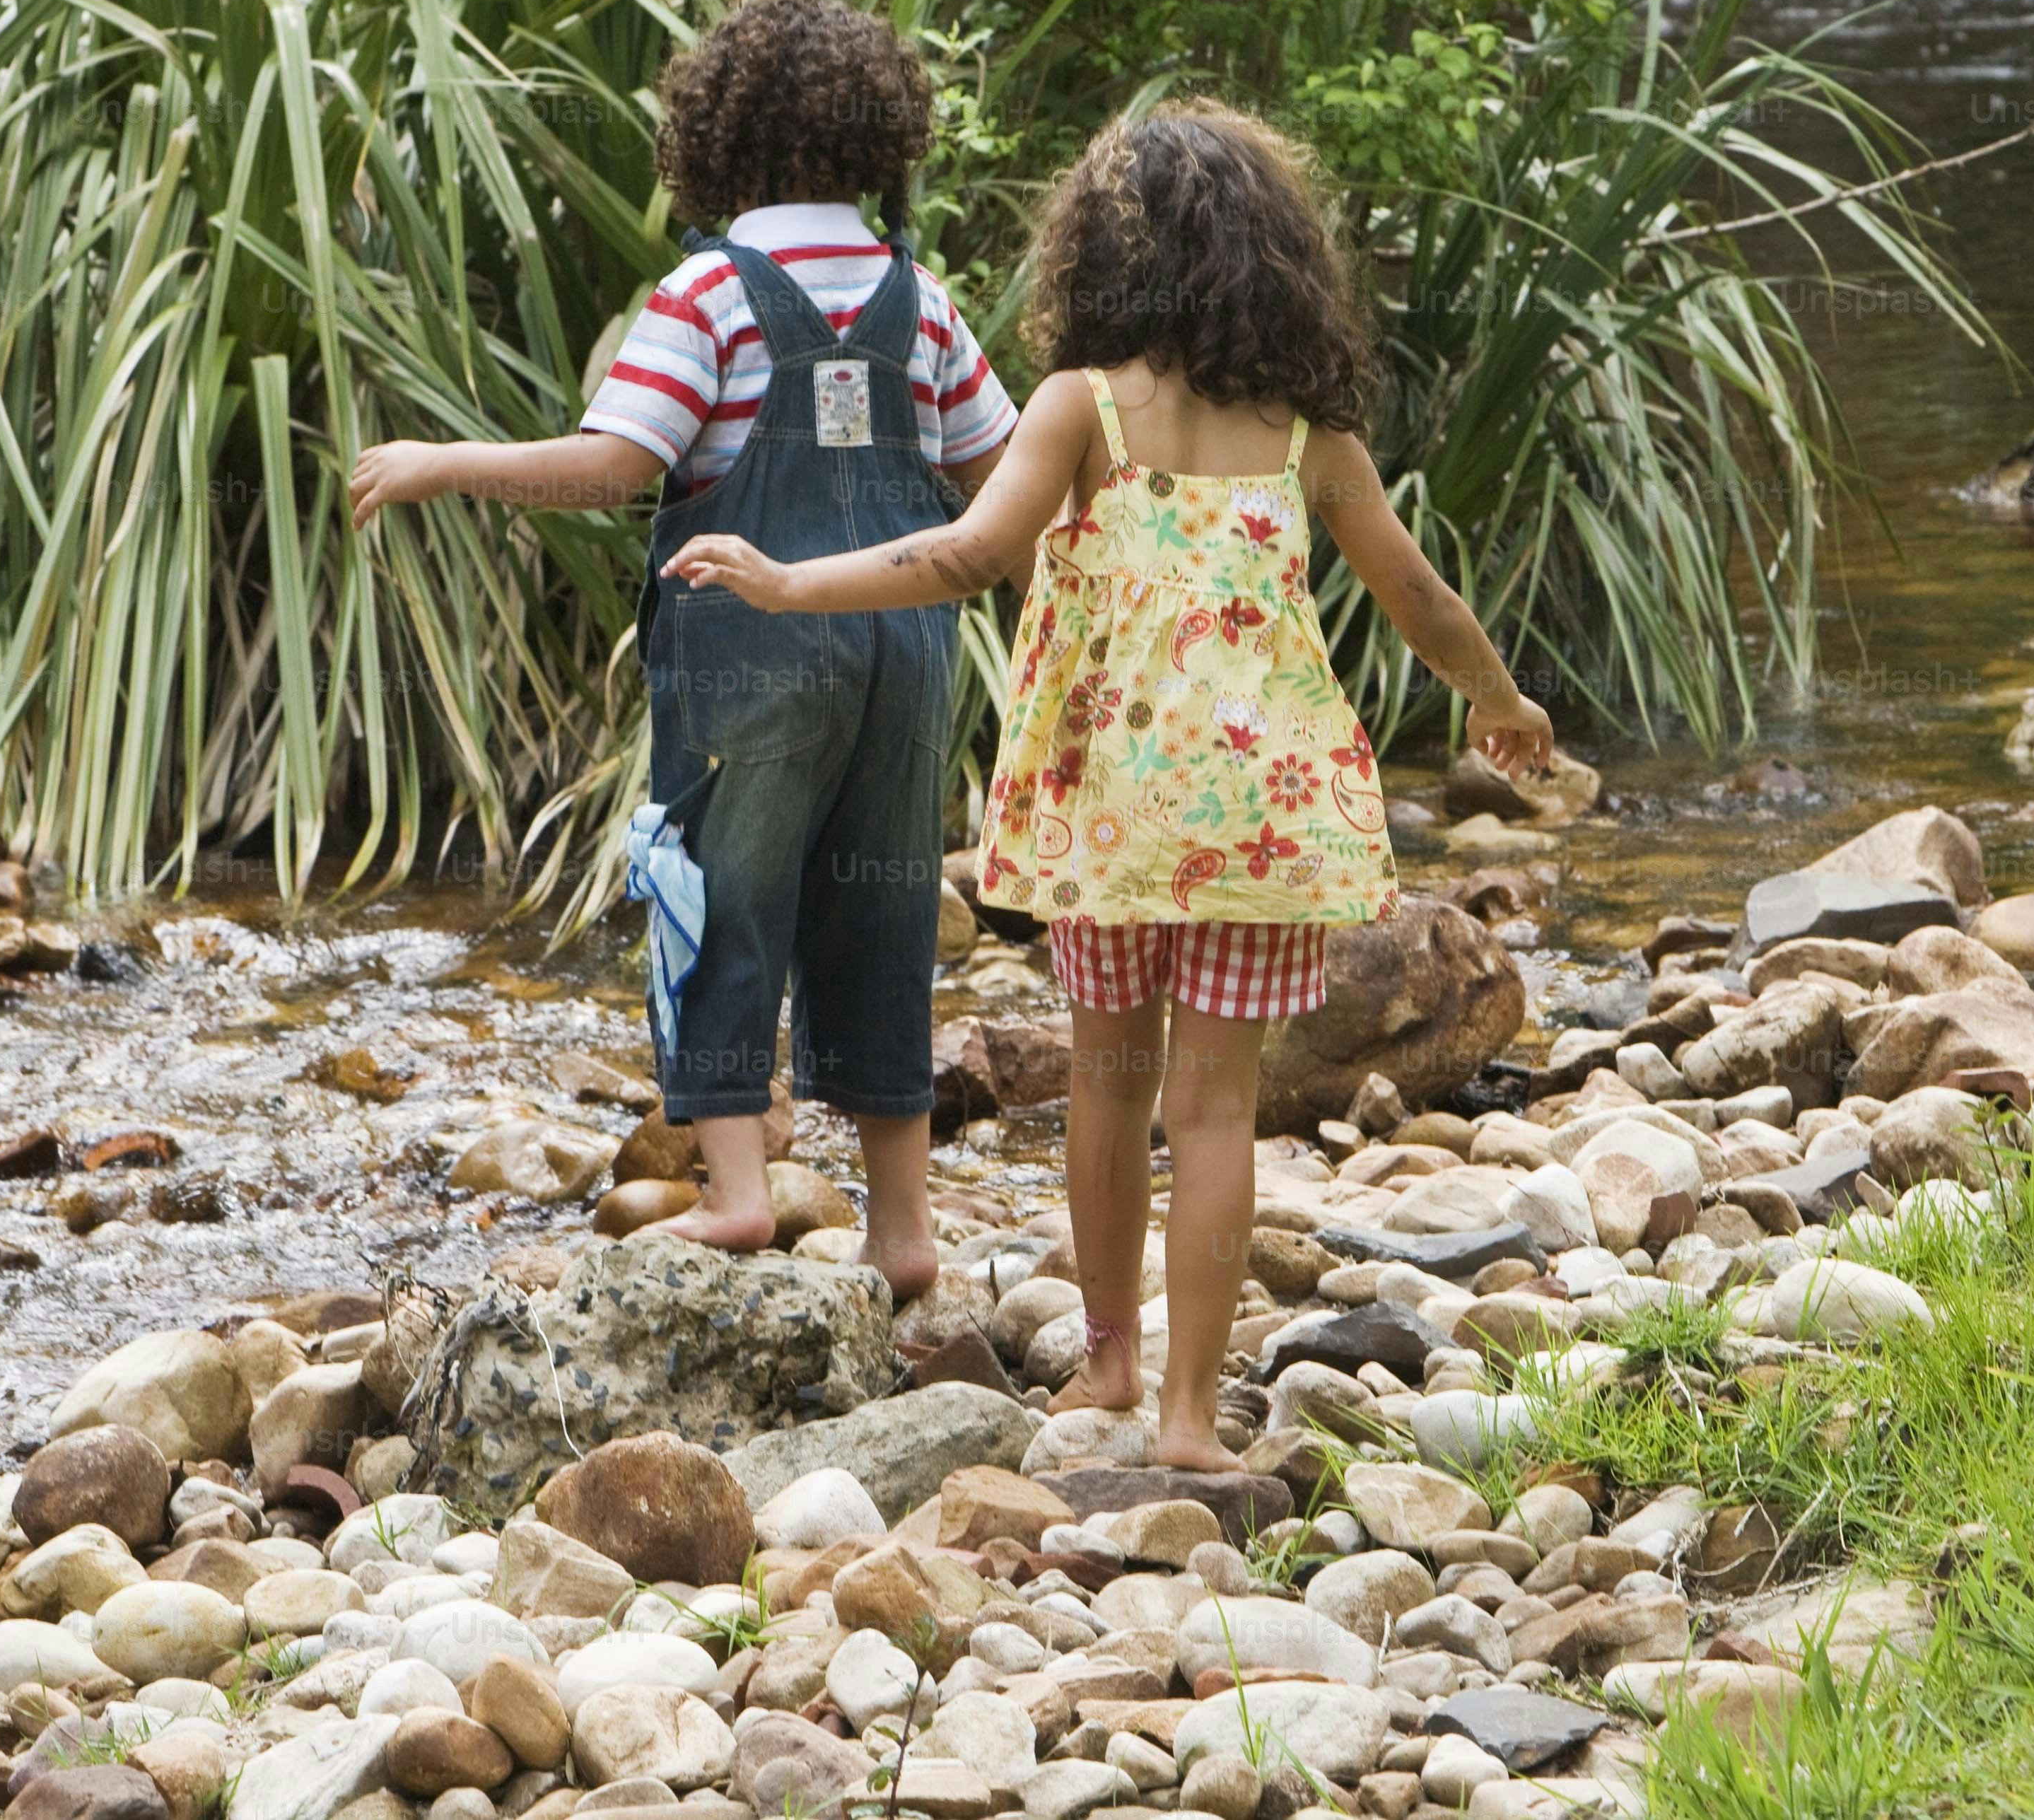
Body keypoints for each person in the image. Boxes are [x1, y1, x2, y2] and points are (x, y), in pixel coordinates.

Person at [664, 101, 1554, 1469]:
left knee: (1106, 1086)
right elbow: (1418, 593)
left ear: (1099, 255)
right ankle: (1196, 1419)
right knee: (1210, 1112)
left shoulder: (1081, 408)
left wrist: (790, 584)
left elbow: (962, 556)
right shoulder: (1308, 433)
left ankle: (1110, 1367)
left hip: (1112, 814)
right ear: (1276, 262)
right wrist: (1499, 701)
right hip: (1255, 819)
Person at [349, 0, 1017, 1298]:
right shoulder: (917, 296)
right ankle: (902, 1227)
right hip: (904, 642)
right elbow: (1001, 473)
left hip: (746, 648)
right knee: (883, 903)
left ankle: (740, 1194)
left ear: (713, 139)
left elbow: (613, 466)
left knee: (716, 890)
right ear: (881, 135)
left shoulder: (709, 289)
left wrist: (447, 459)